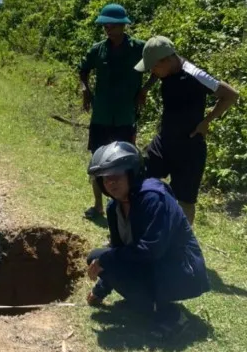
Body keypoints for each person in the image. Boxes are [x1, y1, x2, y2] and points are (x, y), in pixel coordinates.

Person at [85, 141, 211, 338]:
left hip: (181, 271)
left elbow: (150, 250)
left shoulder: (153, 198)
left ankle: (172, 315)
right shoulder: (114, 207)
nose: (111, 182)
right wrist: (101, 290)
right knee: (98, 256)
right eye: (105, 178)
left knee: (107, 257)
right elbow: (120, 249)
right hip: (156, 265)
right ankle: (145, 302)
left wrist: (106, 260)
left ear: (132, 173)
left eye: (117, 175)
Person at [135, 36, 239, 225]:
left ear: (166, 60)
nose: (152, 71)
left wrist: (207, 121)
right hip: (164, 140)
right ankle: (139, 226)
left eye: (153, 67)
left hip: (189, 146)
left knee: (185, 200)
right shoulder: (165, 68)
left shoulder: (194, 75)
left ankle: (182, 243)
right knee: (139, 175)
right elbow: (155, 74)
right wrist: (145, 89)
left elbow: (231, 95)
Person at [78, 3, 156, 221]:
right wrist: (86, 89)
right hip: (101, 115)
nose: (107, 29)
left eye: (111, 25)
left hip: (125, 116)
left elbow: (157, 68)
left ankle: (126, 209)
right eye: (105, 25)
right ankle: (98, 206)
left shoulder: (138, 48)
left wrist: (144, 89)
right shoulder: (98, 49)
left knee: (125, 163)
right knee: (97, 160)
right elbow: (82, 70)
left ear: (123, 25)